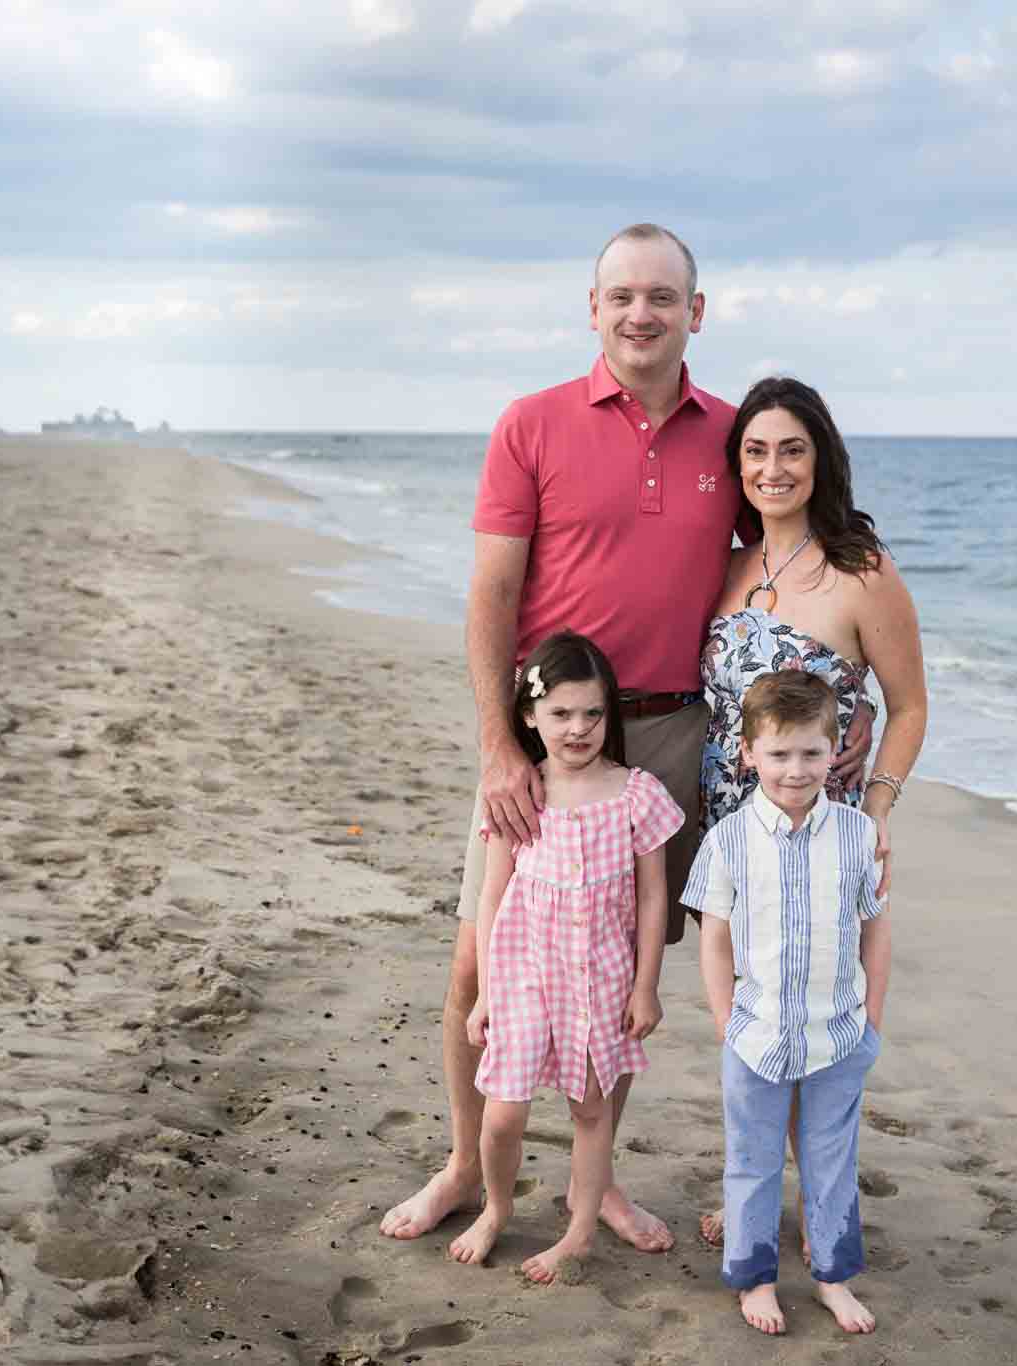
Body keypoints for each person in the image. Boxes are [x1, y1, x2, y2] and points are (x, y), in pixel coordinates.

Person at [380, 224, 873, 1250]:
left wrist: (848, 690)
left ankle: (593, 1182)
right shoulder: (531, 424)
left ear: (696, 311)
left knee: (613, 971)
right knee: (478, 961)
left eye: (662, 296)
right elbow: (492, 593)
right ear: (591, 308)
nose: (639, 314)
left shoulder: (730, 433)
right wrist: (494, 743)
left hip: (671, 740)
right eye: (621, 296)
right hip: (544, 741)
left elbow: (782, 563)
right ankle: (467, 1163)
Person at [696, 374, 928, 1246]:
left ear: (820, 457)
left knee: (824, 1017)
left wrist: (875, 814)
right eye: (755, 450)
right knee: (751, 1015)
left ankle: (818, 1201)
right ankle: (757, 1191)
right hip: (734, 832)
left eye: (792, 448)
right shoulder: (724, 564)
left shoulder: (862, 570)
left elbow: (909, 705)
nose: (772, 467)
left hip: (827, 837)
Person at [448, 631, 684, 1281]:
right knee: (502, 1115)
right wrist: (490, 994)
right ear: (529, 715)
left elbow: (653, 898)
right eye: (560, 713)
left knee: (590, 1110)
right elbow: (493, 897)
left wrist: (645, 987)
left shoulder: (636, 794)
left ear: (610, 714)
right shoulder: (520, 796)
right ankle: (495, 1207)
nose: (578, 728)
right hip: (525, 977)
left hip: (601, 981)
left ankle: (579, 1229)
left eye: (592, 713)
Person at [685, 670, 892, 1336]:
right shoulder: (729, 842)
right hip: (756, 1034)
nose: (795, 769)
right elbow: (715, 937)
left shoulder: (860, 837)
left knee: (832, 1159)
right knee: (753, 1159)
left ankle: (833, 1277)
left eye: (810, 753)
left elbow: (875, 927)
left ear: (835, 751)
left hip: (839, 1033)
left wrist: (873, 1022)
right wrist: (724, 1019)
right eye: (779, 754)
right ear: (748, 753)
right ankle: (756, 1277)